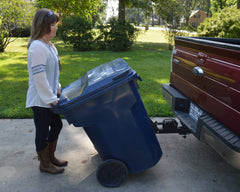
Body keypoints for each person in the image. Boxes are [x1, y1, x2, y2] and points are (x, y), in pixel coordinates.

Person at [26, 8, 67, 174]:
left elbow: (53, 73)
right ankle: (44, 164)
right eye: (52, 24)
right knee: (42, 131)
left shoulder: (50, 46)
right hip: (40, 100)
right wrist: (51, 99)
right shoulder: (37, 48)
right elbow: (40, 79)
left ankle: (50, 157)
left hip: (49, 97)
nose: (56, 27)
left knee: (57, 125)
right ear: (43, 26)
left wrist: (57, 89)